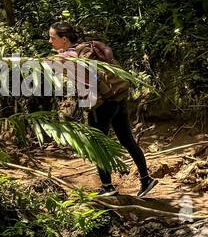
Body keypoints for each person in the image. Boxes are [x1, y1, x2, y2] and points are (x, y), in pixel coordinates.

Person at [47, 23, 157, 198]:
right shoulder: (85, 49)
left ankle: (107, 186)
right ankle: (145, 179)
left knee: (98, 145)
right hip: (117, 97)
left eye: (52, 37)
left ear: (64, 39)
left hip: (101, 104)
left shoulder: (72, 56)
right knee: (127, 140)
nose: (49, 41)